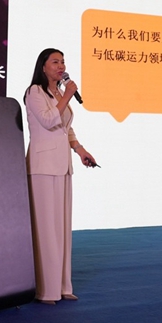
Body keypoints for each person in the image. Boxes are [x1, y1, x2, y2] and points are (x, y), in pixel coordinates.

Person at [23, 48, 97, 305]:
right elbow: (48, 120)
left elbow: (66, 128)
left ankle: (62, 286)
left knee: (61, 228)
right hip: (42, 167)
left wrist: (80, 150)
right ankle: (45, 290)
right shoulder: (35, 92)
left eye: (63, 62)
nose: (61, 66)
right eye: (55, 61)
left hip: (63, 166)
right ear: (43, 66)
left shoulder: (59, 94)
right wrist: (66, 95)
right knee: (46, 228)